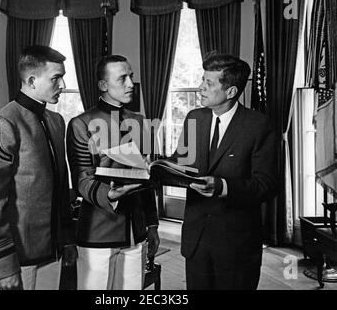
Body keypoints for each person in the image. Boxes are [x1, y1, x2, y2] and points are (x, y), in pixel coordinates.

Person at [0, 45, 77, 290]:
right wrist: (0, 265)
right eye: (56, 78)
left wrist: (67, 239)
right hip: (17, 259)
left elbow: (61, 188)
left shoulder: (56, 121)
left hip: (53, 252)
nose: (62, 84)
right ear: (31, 80)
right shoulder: (3, 122)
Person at [174, 52, 277, 290]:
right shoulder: (194, 118)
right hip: (196, 240)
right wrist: (155, 167)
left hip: (236, 246)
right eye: (202, 80)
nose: (200, 88)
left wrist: (223, 187)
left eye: (208, 83)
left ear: (231, 92)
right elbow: (181, 161)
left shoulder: (259, 126)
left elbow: (267, 184)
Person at [66, 55, 159, 290]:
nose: (130, 84)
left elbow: (146, 181)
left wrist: (152, 225)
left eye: (131, 77)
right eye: (123, 78)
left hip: (135, 233)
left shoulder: (141, 122)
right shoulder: (81, 123)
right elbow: (82, 179)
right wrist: (109, 194)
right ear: (103, 86)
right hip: (98, 232)